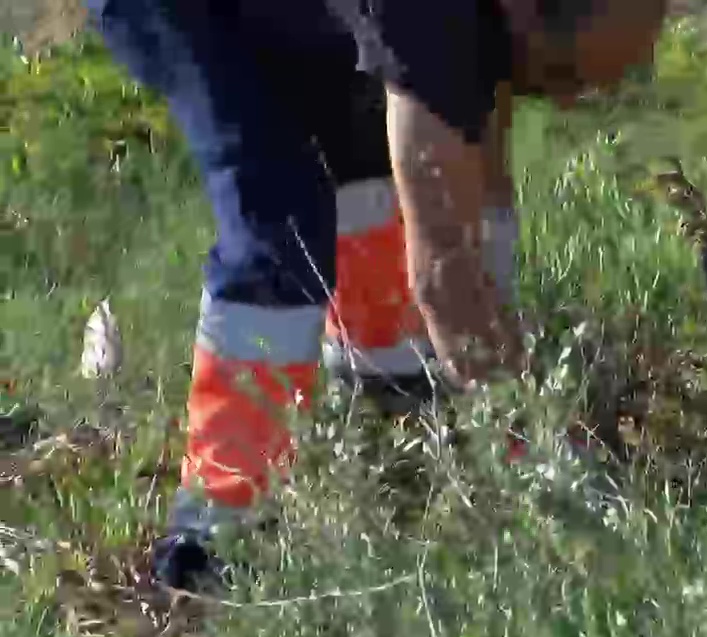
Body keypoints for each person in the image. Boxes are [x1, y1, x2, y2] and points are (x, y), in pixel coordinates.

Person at [83, 0, 668, 593]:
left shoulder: (479, 24)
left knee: (371, 146)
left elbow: (471, 142)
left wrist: (489, 300)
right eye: (565, 76)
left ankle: (390, 404)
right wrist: (537, 448)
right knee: (278, 215)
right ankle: (214, 533)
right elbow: (444, 277)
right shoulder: (432, 18)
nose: (568, 101)